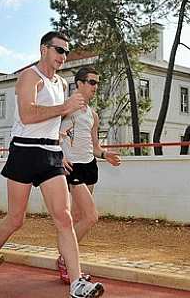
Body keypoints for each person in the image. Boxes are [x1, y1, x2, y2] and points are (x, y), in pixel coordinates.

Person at [0, 31, 105, 298]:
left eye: (66, 52)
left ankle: (76, 283)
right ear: (43, 49)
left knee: (64, 217)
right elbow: (27, 113)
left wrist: (62, 143)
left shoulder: (59, 83)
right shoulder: (29, 76)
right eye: (59, 50)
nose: (63, 56)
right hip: (24, 151)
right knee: (16, 219)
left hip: (50, 154)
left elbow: (55, 122)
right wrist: (63, 108)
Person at [56, 67, 121, 284]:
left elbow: (94, 146)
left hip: (90, 166)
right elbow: (49, 132)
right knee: (91, 216)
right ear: (79, 83)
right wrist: (58, 152)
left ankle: (67, 259)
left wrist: (105, 154)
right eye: (92, 82)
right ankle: (66, 260)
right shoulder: (65, 109)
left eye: (97, 83)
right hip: (72, 168)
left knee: (77, 218)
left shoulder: (92, 115)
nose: (95, 87)